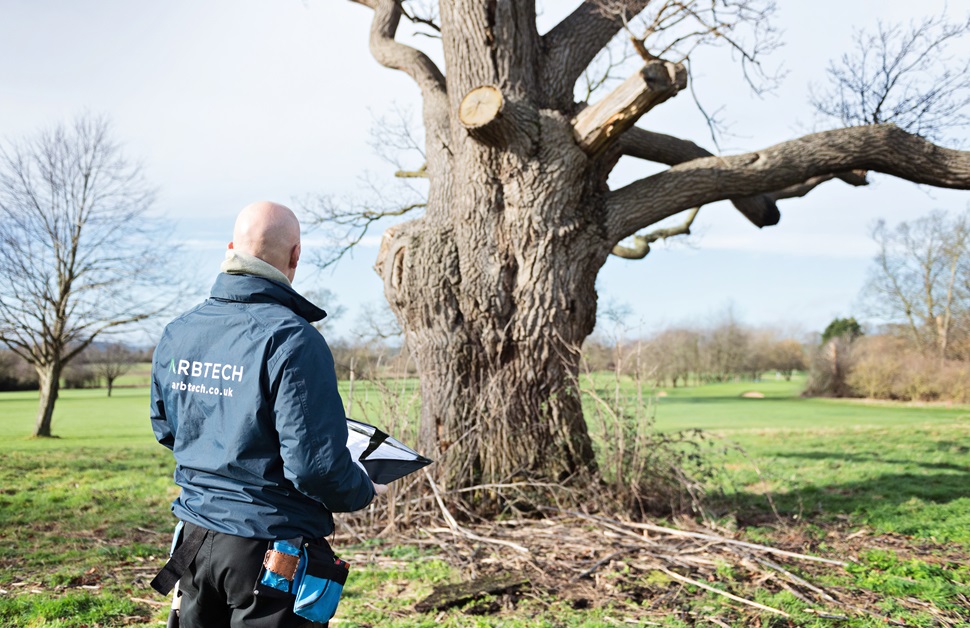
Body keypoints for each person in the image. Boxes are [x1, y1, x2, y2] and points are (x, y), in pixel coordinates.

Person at [150, 201, 384, 628]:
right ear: (296, 255)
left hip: (194, 543)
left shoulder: (178, 332)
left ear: (230, 248)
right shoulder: (293, 340)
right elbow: (315, 469)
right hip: (270, 553)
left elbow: (168, 431)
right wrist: (361, 488)